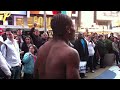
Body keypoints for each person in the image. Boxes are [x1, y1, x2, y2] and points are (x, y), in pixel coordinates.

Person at [34, 14, 80, 79]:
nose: (75, 30)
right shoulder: (70, 53)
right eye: (73, 26)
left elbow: (35, 74)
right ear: (68, 29)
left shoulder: (42, 49)